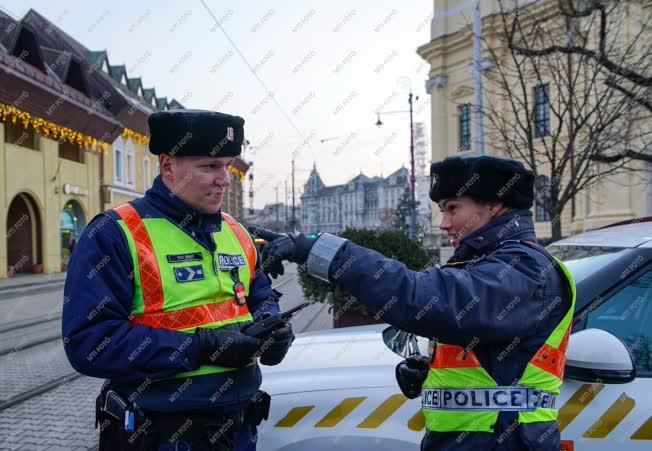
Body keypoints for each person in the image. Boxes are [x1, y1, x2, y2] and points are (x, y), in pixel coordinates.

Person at [256, 155, 575, 451]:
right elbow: (495, 357)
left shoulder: (524, 268)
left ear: (493, 204)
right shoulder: (496, 265)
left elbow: (423, 296)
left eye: (452, 208)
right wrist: (433, 372)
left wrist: (319, 251)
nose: (443, 223)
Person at [62, 109, 293, 450]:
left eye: (227, 165)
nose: (224, 178)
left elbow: (259, 296)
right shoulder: (116, 234)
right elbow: (89, 342)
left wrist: (270, 327)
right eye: (209, 166)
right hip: (159, 435)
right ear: (168, 166)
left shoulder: (236, 232)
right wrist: (201, 348)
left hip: (239, 429)